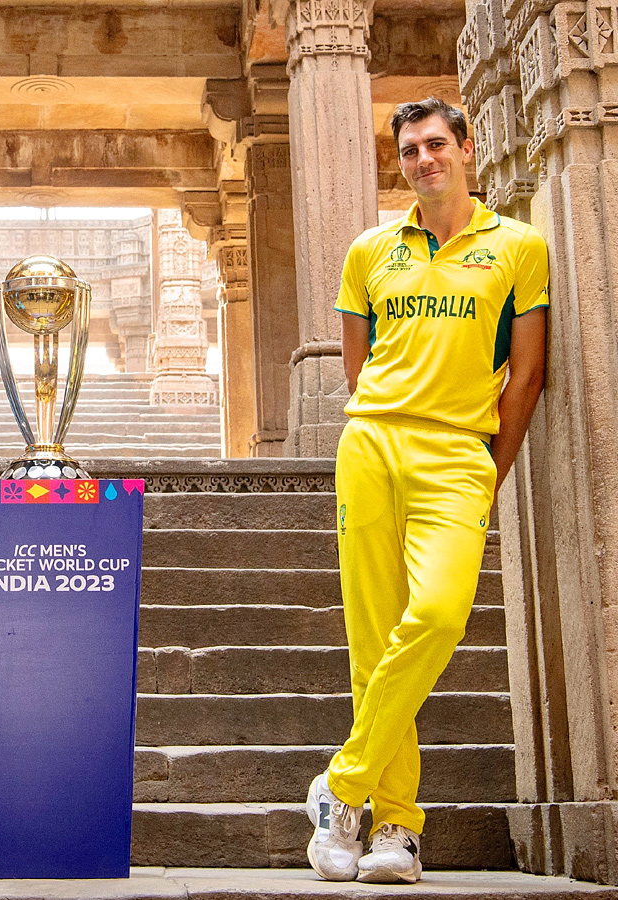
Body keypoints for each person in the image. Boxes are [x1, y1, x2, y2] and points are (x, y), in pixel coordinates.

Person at [305, 98, 549, 884]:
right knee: (373, 646)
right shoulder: (370, 250)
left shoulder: (520, 246)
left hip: (457, 456)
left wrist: (489, 471)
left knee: (439, 614)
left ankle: (340, 786)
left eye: (436, 145)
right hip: (372, 445)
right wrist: (383, 427)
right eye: (409, 151)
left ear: (467, 148)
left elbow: (527, 374)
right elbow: (357, 367)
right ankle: (396, 832)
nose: (423, 161)